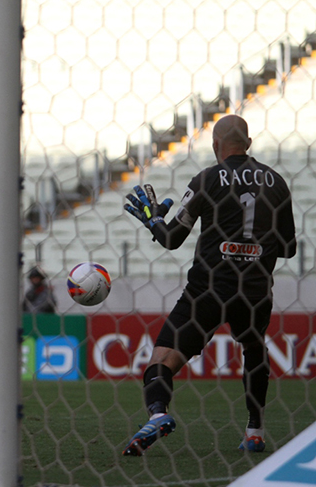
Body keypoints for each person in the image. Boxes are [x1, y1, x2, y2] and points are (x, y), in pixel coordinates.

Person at [121, 115, 297, 456]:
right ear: (248, 142)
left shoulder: (208, 179)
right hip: (255, 290)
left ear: (216, 145)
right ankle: (255, 431)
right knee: (254, 348)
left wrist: (153, 219)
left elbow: (171, 239)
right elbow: (288, 247)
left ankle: (158, 414)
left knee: (163, 358)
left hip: (209, 288)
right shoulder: (277, 183)